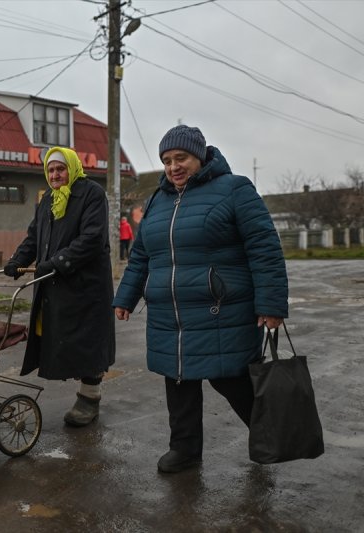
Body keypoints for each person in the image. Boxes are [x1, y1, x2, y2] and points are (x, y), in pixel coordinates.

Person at [112, 125, 288, 473]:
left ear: (201, 156)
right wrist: (126, 296)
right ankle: (185, 449)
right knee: (178, 379)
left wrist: (271, 304)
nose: (174, 167)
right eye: (166, 161)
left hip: (221, 308)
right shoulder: (158, 201)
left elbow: (264, 248)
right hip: (170, 313)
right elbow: (142, 255)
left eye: (181, 158)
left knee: (231, 377)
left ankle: (272, 437)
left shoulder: (234, 189)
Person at [4, 146, 115, 427]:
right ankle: (85, 392)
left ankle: (90, 398)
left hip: (86, 285)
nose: (55, 174)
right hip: (56, 284)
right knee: (64, 338)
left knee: (87, 341)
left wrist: (56, 262)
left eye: (60, 168)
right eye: (51, 170)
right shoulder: (48, 200)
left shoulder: (91, 194)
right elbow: (34, 237)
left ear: (73, 167)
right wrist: (18, 261)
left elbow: (92, 238)